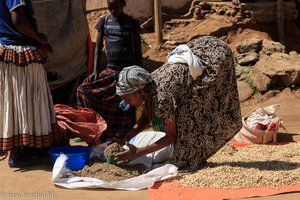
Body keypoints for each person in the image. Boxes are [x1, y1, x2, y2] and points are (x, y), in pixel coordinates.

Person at [114, 36, 242, 172]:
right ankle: (191, 155)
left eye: (127, 99)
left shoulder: (161, 96)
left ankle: (194, 159)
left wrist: (138, 152)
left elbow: (171, 136)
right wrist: (127, 138)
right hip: (203, 48)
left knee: (188, 116)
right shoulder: (148, 87)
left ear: (140, 92)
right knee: (180, 117)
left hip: (214, 56)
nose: (126, 103)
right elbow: (146, 115)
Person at [77, 0, 142, 143]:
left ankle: (124, 137)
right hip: (110, 71)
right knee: (83, 90)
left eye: (116, 7)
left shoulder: (132, 24)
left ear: (123, 4)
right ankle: (95, 132)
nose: (113, 10)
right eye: (110, 8)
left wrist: (139, 73)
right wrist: (94, 71)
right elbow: (98, 48)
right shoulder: (104, 22)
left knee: (125, 105)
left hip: (127, 73)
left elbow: (138, 50)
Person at [0, 0, 56, 167]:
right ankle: (17, 154)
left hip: (8, 48)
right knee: (24, 101)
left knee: (15, 102)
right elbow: (18, 19)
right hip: (18, 49)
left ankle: (22, 149)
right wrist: (39, 38)